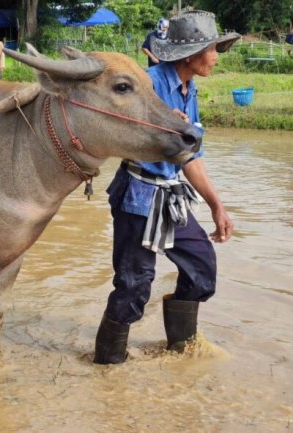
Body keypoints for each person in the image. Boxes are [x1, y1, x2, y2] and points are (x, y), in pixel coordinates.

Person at [93, 11, 240, 365]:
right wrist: (167, 130)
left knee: (201, 266)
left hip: (170, 195)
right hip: (138, 194)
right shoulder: (150, 84)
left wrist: (217, 205)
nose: (217, 57)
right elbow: (120, 130)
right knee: (134, 282)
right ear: (191, 53)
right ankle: (108, 363)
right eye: (213, 50)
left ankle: (182, 347)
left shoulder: (190, 90)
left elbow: (191, 156)